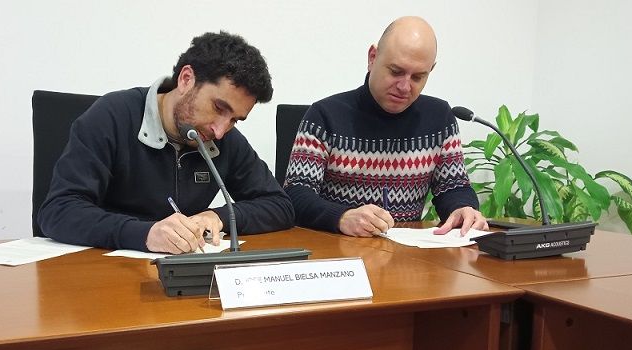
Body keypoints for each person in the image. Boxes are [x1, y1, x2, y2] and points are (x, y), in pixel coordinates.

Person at [38, 31, 295, 254]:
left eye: (235, 120)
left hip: (181, 277)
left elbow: (279, 205)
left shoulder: (223, 139)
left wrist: (219, 217)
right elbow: (59, 211)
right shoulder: (112, 116)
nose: (220, 131)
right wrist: (145, 233)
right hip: (103, 272)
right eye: (218, 107)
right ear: (186, 79)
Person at [283, 16, 488, 237]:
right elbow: (296, 194)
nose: (404, 86)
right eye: (396, 71)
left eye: (418, 77)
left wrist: (462, 208)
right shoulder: (324, 116)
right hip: (341, 249)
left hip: (410, 252)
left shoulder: (440, 119)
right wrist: (341, 216)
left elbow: (453, 187)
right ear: (372, 57)